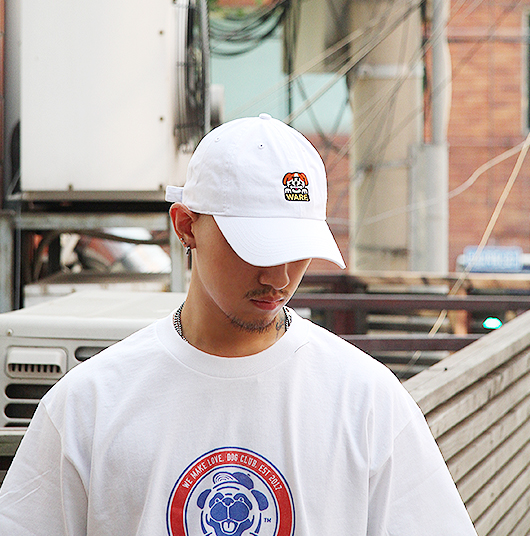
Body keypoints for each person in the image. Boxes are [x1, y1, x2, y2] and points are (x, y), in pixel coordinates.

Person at [0, 113, 477, 536]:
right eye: (256, 247)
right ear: (185, 225)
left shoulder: (367, 399)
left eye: (298, 249)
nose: (280, 277)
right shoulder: (88, 404)